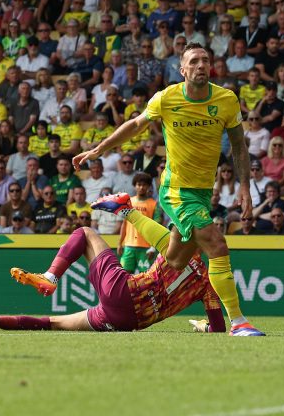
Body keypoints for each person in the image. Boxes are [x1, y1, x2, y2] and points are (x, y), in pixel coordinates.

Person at [72, 42, 263, 336]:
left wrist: (246, 188)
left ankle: (127, 210)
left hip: (201, 191)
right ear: (182, 69)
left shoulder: (226, 100)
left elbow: (239, 146)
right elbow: (135, 125)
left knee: (176, 259)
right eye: (194, 61)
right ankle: (238, 322)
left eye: (205, 61)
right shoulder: (166, 98)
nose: (201, 65)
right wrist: (98, 149)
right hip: (176, 189)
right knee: (216, 243)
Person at [0, 227, 226, 333]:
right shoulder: (209, 283)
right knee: (53, 324)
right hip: (129, 322)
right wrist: (203, 326)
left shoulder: (172, 248)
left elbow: (175, 226)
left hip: (123, 293)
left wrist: (126, 211)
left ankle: (50, 276)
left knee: (85, 232)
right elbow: (217, 327)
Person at [117, 172, 163, 273]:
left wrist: (153, 247)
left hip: (146, 248)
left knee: (147, 278)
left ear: (149, 187)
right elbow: (124, 224)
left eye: (144, 185)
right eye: (139, 184)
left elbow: (157, 228)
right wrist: (120, 243)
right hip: (129, 246)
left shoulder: (154, 205)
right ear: (134, 186)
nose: (141, 187)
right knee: (125, 276)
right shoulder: (128, 203)